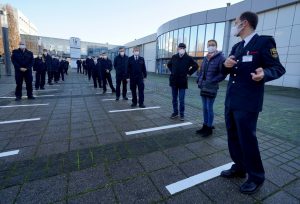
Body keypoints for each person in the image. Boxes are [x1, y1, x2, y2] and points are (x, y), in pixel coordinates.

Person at [220, 11, 286, 195]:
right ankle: (240, 168)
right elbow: (224, 71)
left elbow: (278, 68)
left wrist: (265, 74)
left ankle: (256, 177)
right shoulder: (237, 47)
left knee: (247, 139)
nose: (234, 25)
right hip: (231, 100)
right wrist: (224, 65)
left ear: (245, 24)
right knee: (233, 137)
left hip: (248, 102)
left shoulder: (264, 42)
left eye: (235, 22)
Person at [196, 39, 226, 137]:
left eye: (212, 45)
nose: (210, 46)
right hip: (203, 86)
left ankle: (209, 128)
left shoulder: (221, 58)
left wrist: (213, 80)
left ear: (216, 46)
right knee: (204, 108)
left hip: (212, 87)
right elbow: (201, 71)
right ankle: (205, 126)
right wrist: (199, 80)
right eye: (209, 45)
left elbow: (223, 73)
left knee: (209, 108)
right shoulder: (206, 58)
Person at [167, 43, 198, 121]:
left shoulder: (188, 58)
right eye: (180, 48)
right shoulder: (174, 57)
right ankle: (175, 112)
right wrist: (172, 71)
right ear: (178, 49)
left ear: (185, 49)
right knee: (174, 99)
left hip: (182, 82)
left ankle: (182, 114)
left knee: (181, 99)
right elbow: (169, 64)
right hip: (174, 81)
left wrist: (189, 73)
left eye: (183, 48)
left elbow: (196, 66)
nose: (181, 49)